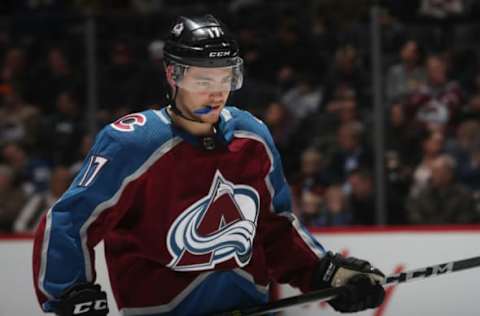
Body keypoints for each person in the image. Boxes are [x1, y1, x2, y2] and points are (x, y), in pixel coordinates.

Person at [32, 14, 385, 316]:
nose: (216, 93)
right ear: (173, 76)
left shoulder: (252, 136)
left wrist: (324, 272)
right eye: (202, 81)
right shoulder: (133, 143)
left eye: (225, 79)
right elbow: (69, 219)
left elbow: (275, 227)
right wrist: (69, 293)